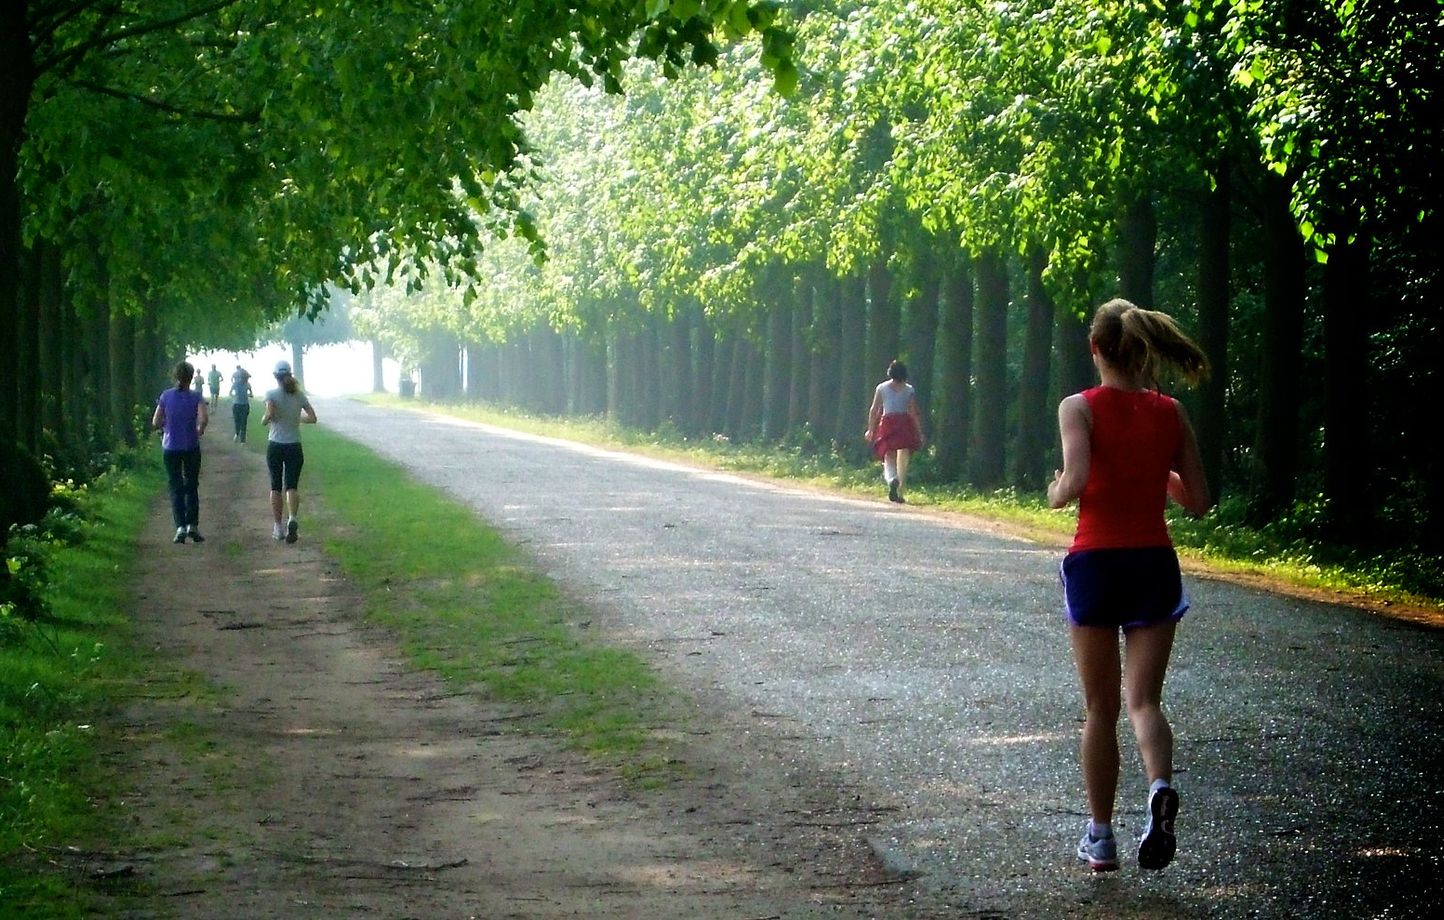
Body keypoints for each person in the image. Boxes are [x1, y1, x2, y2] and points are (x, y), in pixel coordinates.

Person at [1046, 298, 1211, 873]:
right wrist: (1156, 473)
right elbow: (1200, 500)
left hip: (1096, 561)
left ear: (1095, 349)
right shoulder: (1172, 413)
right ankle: (1159, 786)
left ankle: (1100, 837)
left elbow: (1078, 477)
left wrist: (1054, 491)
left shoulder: (1079, 408)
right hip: (1152, 563)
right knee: (1144, 702)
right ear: (1142, 350)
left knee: (1100, 708)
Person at [152, 361, 210, 544]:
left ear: (175, 376)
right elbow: (204, 418)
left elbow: (155, 421)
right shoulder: (196, 397)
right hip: (191, 446)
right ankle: (193, 525)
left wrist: (166, 427)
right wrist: (199, 429)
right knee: (191, 485)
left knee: (175, 486)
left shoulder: (165, 396)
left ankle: (180, 527)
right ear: (191, 378)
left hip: (170, 447)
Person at [262, 359, 317, 543]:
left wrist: (264, 420)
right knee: (292, 485)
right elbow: (312, 418)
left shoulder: (271, 394)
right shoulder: (299, 395)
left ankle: (278, 527)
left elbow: (269, 414)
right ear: (290, 374)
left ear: (275, 376)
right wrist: (297, 418)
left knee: (275, 486)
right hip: (294, 445)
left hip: (276, 444)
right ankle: (292, 517)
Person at [864, 359, 924, 503]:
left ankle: (892, 479)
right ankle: (901, 491)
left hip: (888, 423)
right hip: (904, 423)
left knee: (888, 456)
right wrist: (919, 432)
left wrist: (870, 429)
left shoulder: (881, 388)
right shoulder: (909, 389)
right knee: (903, 457)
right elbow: (913, 412)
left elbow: (874, 410)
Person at [230, 366, 253, 442]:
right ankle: (237, 433)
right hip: (236, 404)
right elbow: (230, 393)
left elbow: (251, 393)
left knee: (244, 422)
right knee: (237, 421)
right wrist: (234, 396)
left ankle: (242, 439)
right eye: (245, 378)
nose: (246, 379)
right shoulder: (235, 384)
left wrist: (249, 395)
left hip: (245, 405)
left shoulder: (248, 384)